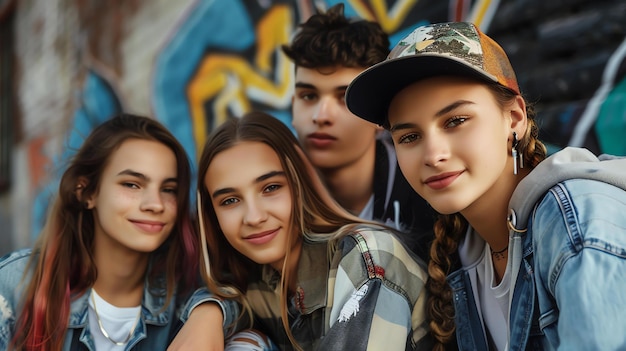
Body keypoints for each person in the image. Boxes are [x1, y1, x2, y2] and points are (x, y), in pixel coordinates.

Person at [345, 21, 626, 350]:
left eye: (456, 121)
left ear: (515, 120)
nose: (433, 155)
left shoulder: (577, 219)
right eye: (409, 137)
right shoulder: (464, 253)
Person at [195, 111, 432, 350]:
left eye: (271, 187)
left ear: (299, 185)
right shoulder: (258, 285)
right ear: (212, 216)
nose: (254, 217)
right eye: (229, 201)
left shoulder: (369, 257)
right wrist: (209, 311)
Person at [0, 114, 237, 350]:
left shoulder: (188, 291)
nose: (155, 204)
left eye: (169, 189)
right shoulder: (16, 285)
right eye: (132, 184)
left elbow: (250, 307)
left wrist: (211, 312)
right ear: (87, 193)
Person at [282, 3, 436, 262]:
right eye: (308, 95)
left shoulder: (427, 192)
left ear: (378, 115)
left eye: (344, 98)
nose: (321, 116)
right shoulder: (275, 202)